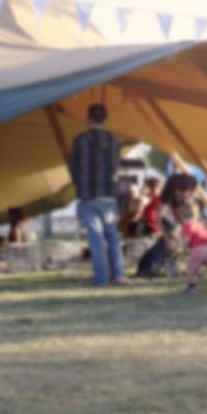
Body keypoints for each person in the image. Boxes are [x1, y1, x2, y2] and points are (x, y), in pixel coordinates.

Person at [68, 103, 126, 286]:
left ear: (88, 118)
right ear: (105, 118)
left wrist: (80, 184)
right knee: (112, 236)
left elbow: (73, 167)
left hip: (88, 196)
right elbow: (117, 167)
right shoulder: (114, 140)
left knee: (96, 239)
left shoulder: (80, 140)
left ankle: (100, 279)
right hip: (108, 195)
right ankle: (118, 275)